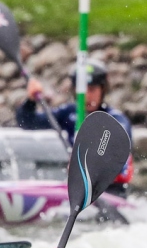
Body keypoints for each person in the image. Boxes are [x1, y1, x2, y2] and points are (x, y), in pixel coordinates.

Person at [15, 59, 134, 197]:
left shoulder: (115, 119)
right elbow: (28, 122)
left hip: (111, 189)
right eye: (82, 90)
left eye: (92, 89)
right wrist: (30, 101)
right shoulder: (69, 113)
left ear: (103, 90)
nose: (87, 96)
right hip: (81, 188)